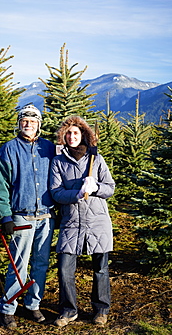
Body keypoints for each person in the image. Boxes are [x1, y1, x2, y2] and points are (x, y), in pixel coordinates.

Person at [0, 103, 55, 329]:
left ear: (39, 125)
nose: (28, 124)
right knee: (19, 265)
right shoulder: (9, 149)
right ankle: (7, 308)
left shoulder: (48, 148)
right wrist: (5, 216)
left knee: (41, 264)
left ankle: (33, 305)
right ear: (19, 124)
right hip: (21, 217)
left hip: (46, 217)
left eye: (33, 121)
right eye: (24, 121)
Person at [49, 116, 115, 327]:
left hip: (97, 222)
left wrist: (96, 187)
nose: (72, 136)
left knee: (101, 268)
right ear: (63, 137)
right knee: (65, 268)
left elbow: (110, 188)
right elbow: (56, 192)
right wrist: (76, 194)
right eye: (68, 133)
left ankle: (101, 310)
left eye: (76, 133)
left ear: (84, 135)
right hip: (72, 222)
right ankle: (69, 310)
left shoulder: (96, 159)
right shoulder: (58, 162)